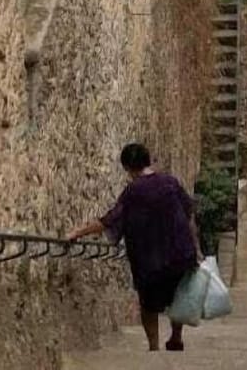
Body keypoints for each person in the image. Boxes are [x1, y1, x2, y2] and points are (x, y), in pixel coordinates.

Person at [68, 143, 200, 353]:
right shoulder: (170, 182)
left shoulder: (133, 191)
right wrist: (196, 247)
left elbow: (110, 220)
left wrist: (77, 233)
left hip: (151, 259)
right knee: (178, 296)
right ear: (148, 161)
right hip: (179, 252)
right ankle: (176, 337)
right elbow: (188, 212)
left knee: (148, 302)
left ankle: (154, 348)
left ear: (128, 167)